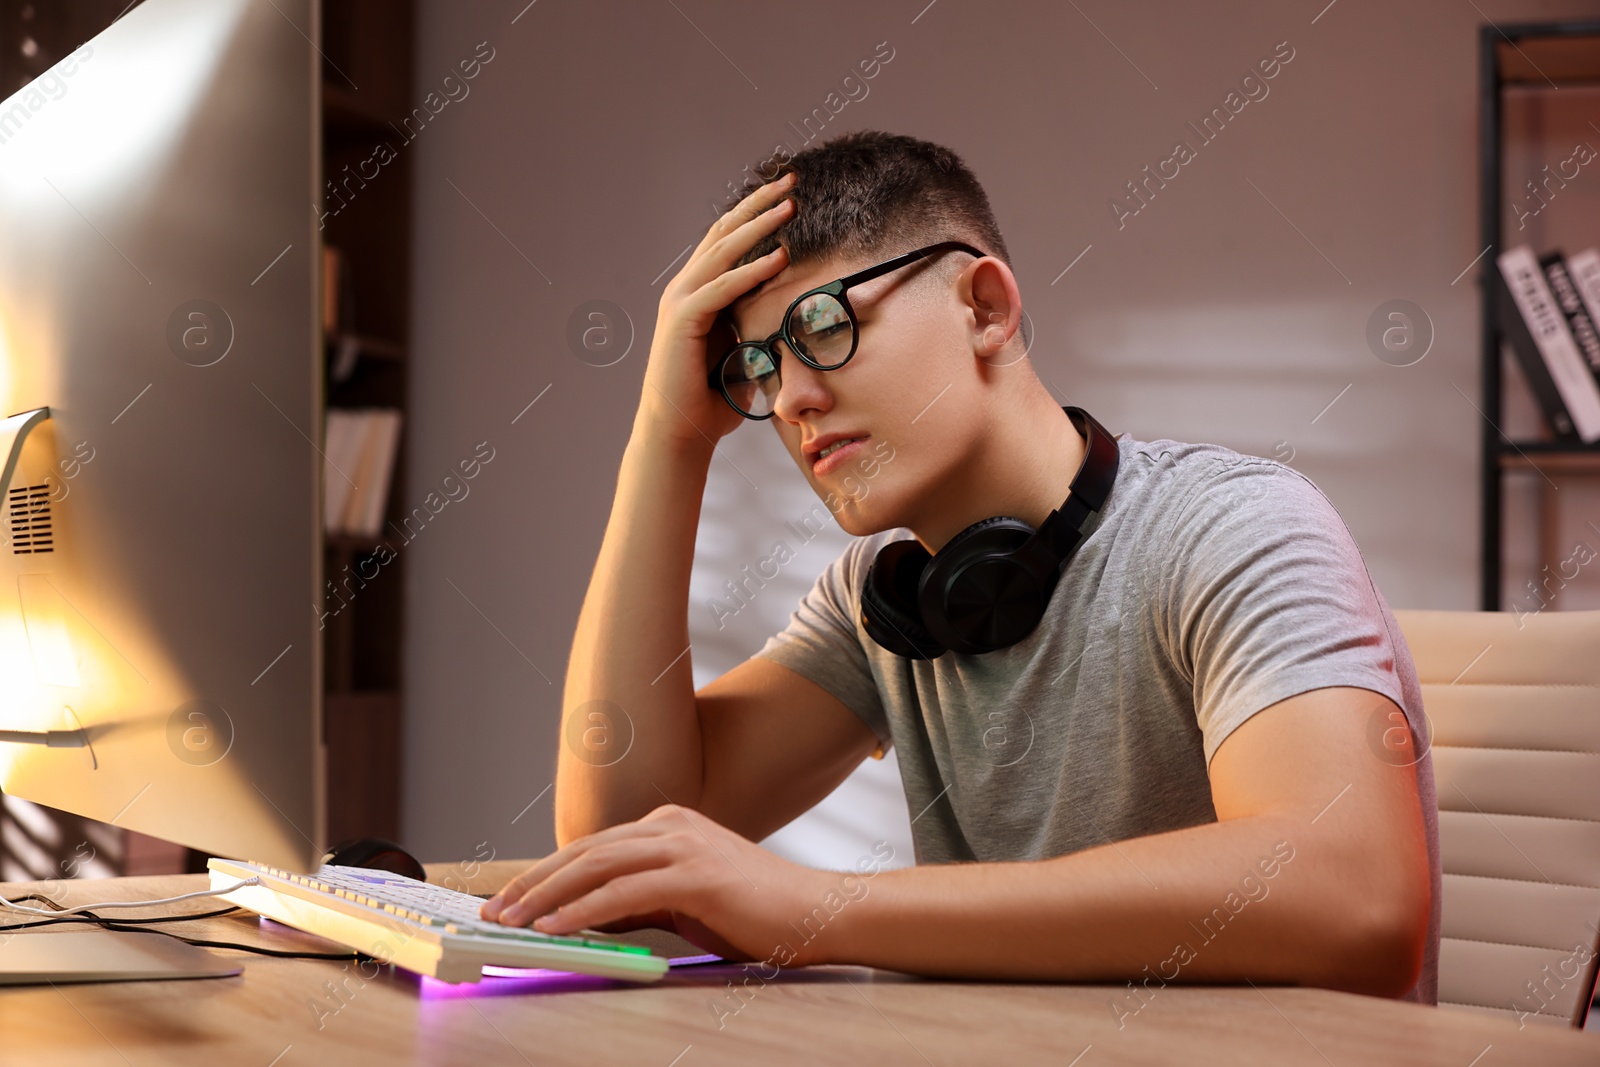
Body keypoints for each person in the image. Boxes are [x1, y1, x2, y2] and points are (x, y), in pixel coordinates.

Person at [480, 130, 1439, 1006]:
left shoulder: (1233, 528)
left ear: (985, 307)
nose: (792, 401)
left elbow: (1357, 899)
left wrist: (816, 909)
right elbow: (624, 837)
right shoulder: (883, 605)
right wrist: (668, 438)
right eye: (760, 370)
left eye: (821, 329)